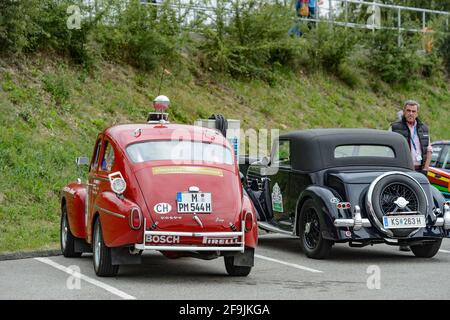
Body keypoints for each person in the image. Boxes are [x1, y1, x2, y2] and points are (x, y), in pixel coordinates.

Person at [390, 100, 433, 252]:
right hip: (402, 169)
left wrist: (426, 169)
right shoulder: (395, 127)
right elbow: (389, 148)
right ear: (404, 111)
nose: (411, 114)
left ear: (417, 113)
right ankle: (403, 239)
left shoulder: (424, 128)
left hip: (419, 170)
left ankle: (421, 236)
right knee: (402, 204)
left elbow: (428, 150)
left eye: (414, 111)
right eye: (408, 110)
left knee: (420, 203)